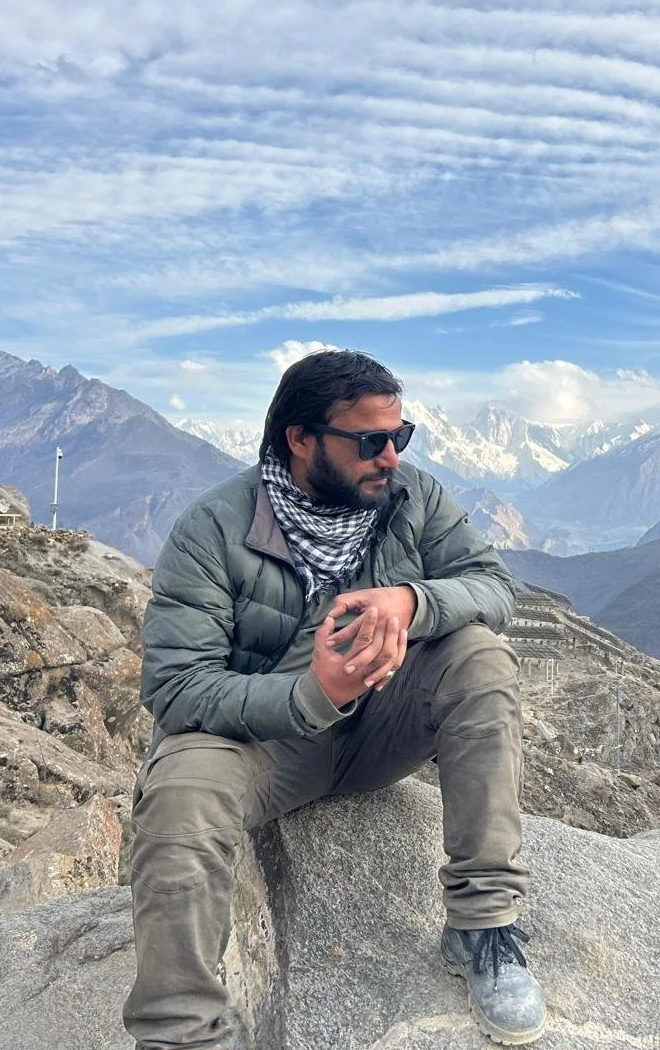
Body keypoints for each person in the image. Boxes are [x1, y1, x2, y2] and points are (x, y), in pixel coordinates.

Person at [123, 349, 545, 1049]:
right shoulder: (213, 530)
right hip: (266, 745)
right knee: (179, 792)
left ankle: (484, 928)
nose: (390, 458)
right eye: (370, 441)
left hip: (379, 730)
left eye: (399, 437)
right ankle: (180, 1032)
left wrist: (413, 600)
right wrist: (309, 695)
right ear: (300, 439)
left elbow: (494, 589)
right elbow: (176, 688)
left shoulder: (414, 501)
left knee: (480, 657)